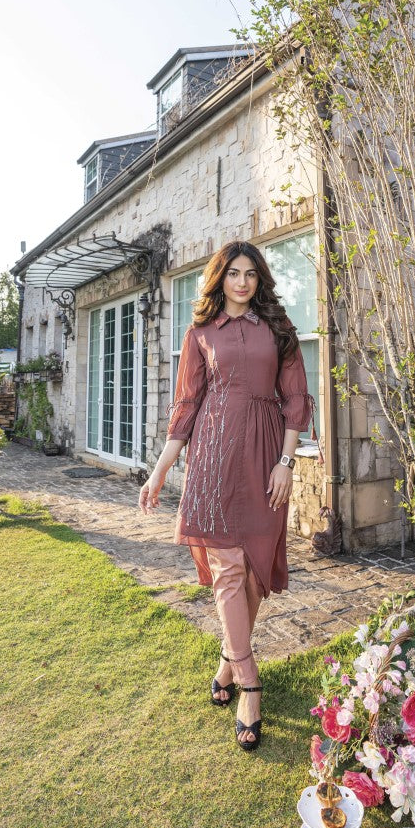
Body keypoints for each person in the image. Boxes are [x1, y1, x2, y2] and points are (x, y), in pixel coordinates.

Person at [138, 240, 314, 752]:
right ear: (220, 279)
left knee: (255, 570)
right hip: (211, 460)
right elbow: (186, 408)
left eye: (250, 274)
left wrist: (287, 462)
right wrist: (159, 472)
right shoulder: (199, 335)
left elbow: (295, 401)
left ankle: (226, 663)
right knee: (228, 571)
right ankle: (250, 687)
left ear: (259, 280)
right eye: (233, 274)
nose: (242, 282)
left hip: (264, 459)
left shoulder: (278, 331)